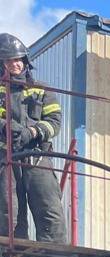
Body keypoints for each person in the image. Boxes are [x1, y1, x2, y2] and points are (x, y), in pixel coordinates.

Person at [0, 33, 65, 243]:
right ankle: (12, 254)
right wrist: (7, 128)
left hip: (37, 157)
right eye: (10, 60)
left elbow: (55, 121)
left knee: (49, 207)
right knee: (8, 210)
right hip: (6, 159)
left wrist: (33, 132)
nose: (16, 64)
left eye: (19, 59)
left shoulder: (41, 89)